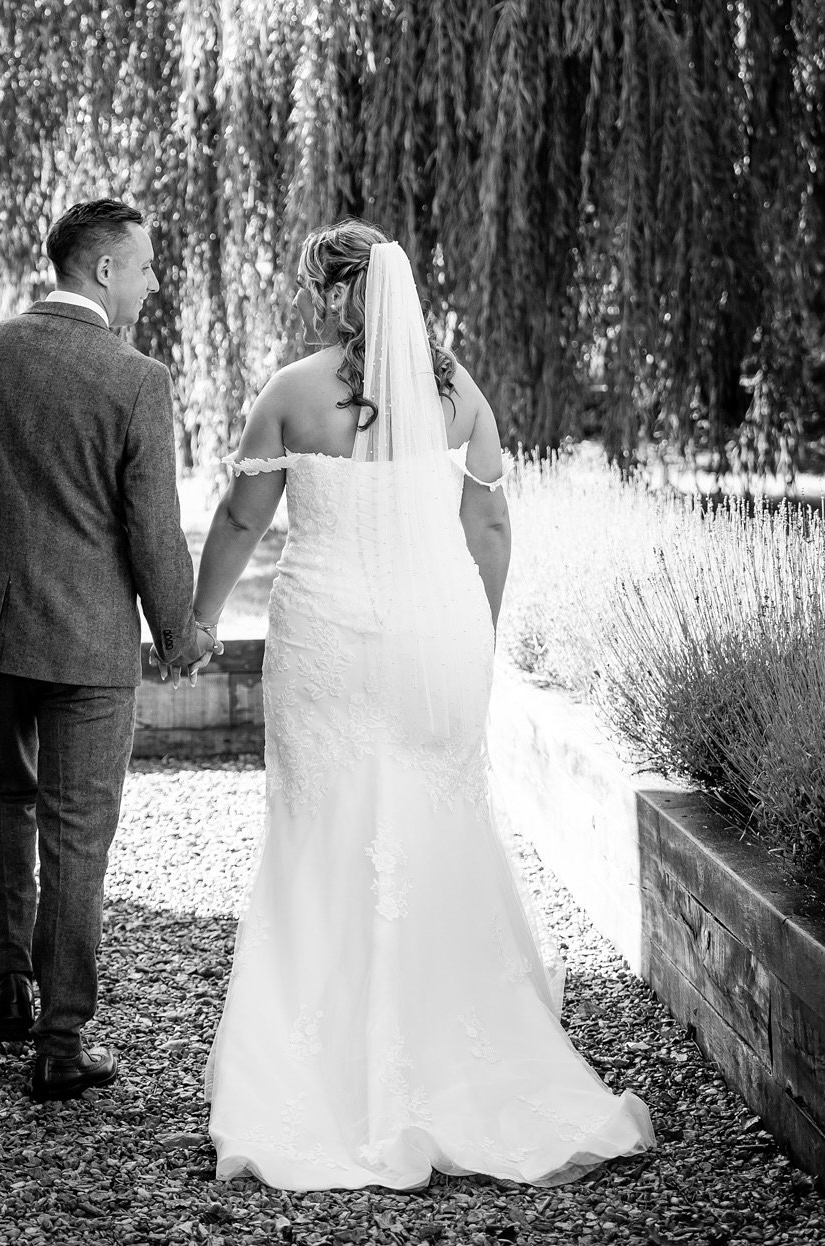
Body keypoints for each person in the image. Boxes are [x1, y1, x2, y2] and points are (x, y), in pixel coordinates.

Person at [194, 219, 654, 1189]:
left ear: (333, 299)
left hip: (327, 637)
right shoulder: (460, 397)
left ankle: (323, 1074)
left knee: (319, 830)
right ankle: (463, 1057)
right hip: (438, 633)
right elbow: (487, 520)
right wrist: (477, 632)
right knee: (442, 827)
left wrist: (196, 616)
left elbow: (243, 516)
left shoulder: (290, 393)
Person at [0, 197, 218, 1103]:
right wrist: (181, 637)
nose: (155, 283)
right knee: (77, 833)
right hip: (87, 648)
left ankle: (10, 988)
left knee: (3, 793)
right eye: (149, 265)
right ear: (105, 270)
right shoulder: (136, 379)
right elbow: (153, 532)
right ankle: (60, 1040)